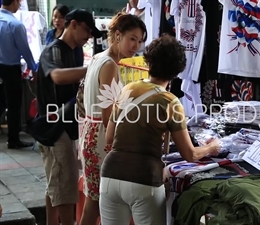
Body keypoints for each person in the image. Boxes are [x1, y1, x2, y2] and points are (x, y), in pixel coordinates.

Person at [99, 34, 221, 225]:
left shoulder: (127, 89)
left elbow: (109, 138)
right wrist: (211, 148)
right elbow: (190, 154)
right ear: (178, 70)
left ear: (148, 61)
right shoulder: (170, 101)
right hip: (144, 178)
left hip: (110, 175)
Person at [79, 12, 147, 225]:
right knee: (99, 202)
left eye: (139, 41)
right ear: (118, 36)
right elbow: (108, 116)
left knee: (95, 200)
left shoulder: (99, 58)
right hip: (101, 137)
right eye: (132, 39)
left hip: (91, 131)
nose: (135, 46)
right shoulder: (109, 65)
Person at [36, 9, 101, 225]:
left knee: (56, 183)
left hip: (68, 125)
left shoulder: (76, 51)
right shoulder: (52, 50)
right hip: (54, 127)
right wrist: (92, 69)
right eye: (87, 30)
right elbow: (57, 76)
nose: (89, 36)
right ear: (73, 24)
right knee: (64, 186)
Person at [0, 0, 37, 149]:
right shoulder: (15, 25)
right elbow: (25, 50)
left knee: (1, 102)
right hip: (10, 68)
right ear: (14, 2)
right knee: (14, 105)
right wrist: (34, 67)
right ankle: (13, 139)